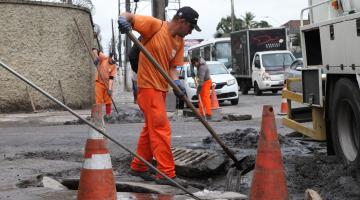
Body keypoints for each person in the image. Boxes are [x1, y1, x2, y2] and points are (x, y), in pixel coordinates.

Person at [118, 6, 201, 187]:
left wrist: (177, 84)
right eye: (191, 27)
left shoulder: (178, 41)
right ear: (182, 22)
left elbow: (172, 68)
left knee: (151, 129)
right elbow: (128, 16)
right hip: (148, 88)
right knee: (161, 129)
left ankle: (139, 166)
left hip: (161, 90)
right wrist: (123, 21)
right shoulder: (154, 26)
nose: (190, 32)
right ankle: (166, 173)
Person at [92, 48, 117, 120]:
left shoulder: (114, 66)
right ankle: (98, 117)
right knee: (98, 101)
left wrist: (109, 89)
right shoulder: (104, 58)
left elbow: (111, 78)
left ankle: (108, 115)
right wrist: (97, 58)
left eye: (114, 61)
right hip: (99, 83)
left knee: (108, 101)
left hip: (107, 85)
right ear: (109, 57)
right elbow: (94, 49)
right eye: (112, 60)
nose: (113, 62)